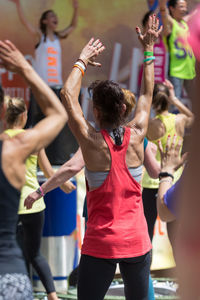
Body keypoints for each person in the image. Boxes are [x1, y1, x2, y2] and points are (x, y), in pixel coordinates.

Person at [57, 14, 161, 299]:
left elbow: (67, 95)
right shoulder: (138, 133)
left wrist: (82, 60)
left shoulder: (91, 142)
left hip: (101, 244)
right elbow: (147, 93)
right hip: (138, 243)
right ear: (123, 110)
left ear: (98, 112)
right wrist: (149, 48)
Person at [0, 40, 67, 299]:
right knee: (34, 253)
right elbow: (58, 114)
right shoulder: (14, 148)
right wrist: (25, 69)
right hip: (8, 276)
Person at [3, 96, 74, 300]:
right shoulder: (33, 139)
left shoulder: (3, 140)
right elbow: (48, 170)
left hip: (11, 205)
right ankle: (52, 295)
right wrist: (64, 183)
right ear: (25, 115)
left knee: (14, 255)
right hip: (34, 205)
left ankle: (20, 292)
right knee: (35, 254)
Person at [9, 0, 79, 163]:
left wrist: (76, 8)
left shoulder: (57, 37)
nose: (55, 18)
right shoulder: (40, 36)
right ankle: (24, 154)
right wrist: (19, 6)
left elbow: (73, 26)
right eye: (51, 16)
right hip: (41, 86)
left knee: (55, 119)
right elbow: (25, 23)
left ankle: (52, 156)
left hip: (56, 87)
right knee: (34, 120)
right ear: (44, 21)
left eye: (55, 16)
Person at [142, 79, 193, 247]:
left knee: (147, 232)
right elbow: (192, 118)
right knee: (175, 235)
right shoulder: (179, 120)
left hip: (152, 182)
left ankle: (145, 274)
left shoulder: (150, 124)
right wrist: (175, 99)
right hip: (174, 179)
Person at [158, 0, 196, 100]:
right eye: (181, 7)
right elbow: (163, 11)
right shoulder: (171, 24)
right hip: (176, 71)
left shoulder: (185, 23)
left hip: (190, 71)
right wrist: (163, 4)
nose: (185, 9)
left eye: (185, 7)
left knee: (195, 101)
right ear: (172, 8)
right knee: (174, 100)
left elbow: (194, 13)